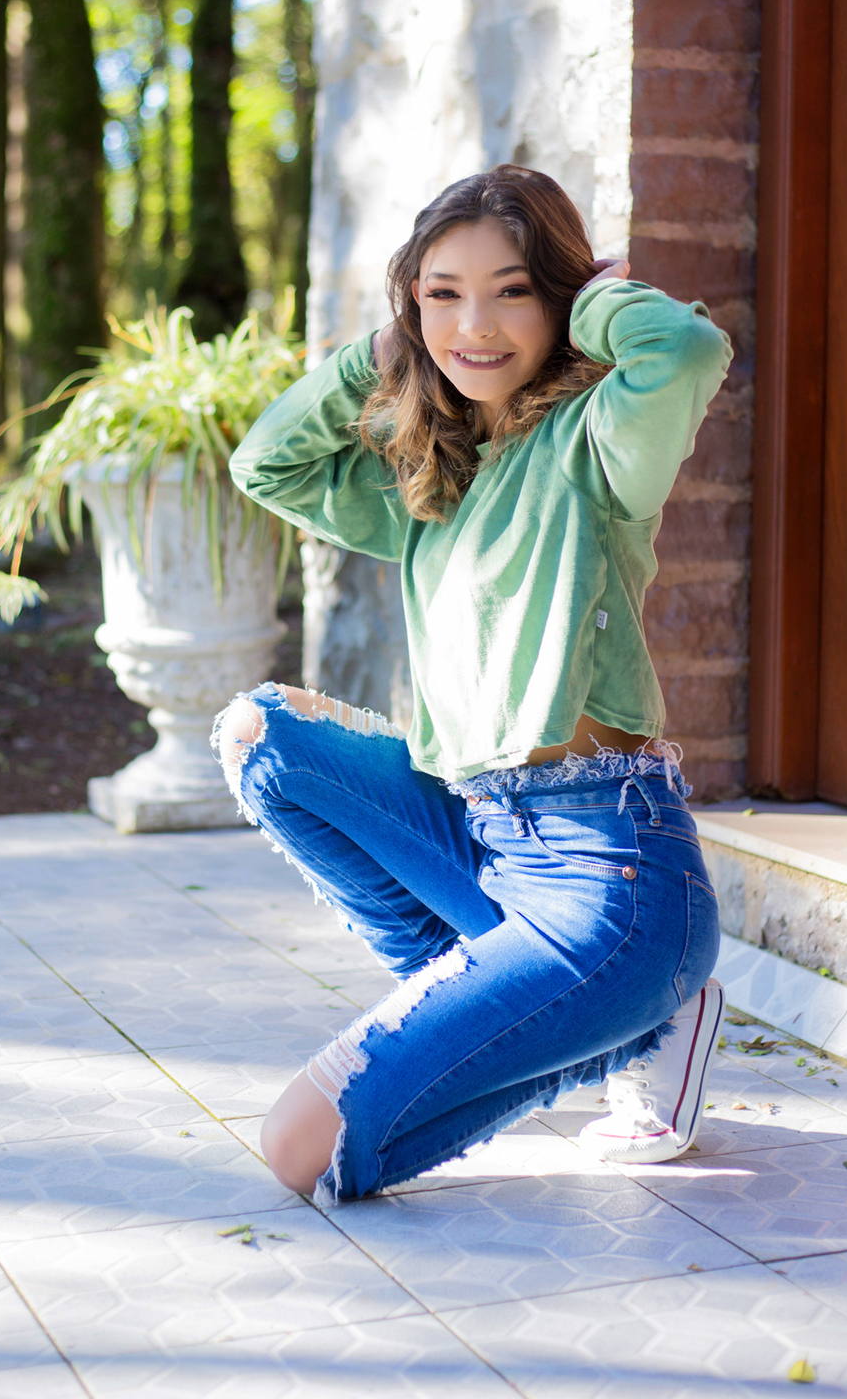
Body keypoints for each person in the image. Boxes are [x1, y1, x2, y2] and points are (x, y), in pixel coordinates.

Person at [213, 163, 732, 1202]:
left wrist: (599, 299)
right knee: (259, 738)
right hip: (490, 844)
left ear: (559, 300)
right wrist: (384, 346)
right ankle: (553, 1011)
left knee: (293, 1149)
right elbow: (265, 463)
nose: (477, 325)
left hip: (611, 881)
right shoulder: (430, 486)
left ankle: (629, 1024)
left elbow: (686, 350)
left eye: (514, 289)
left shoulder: (599, 446)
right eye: (443, 293)